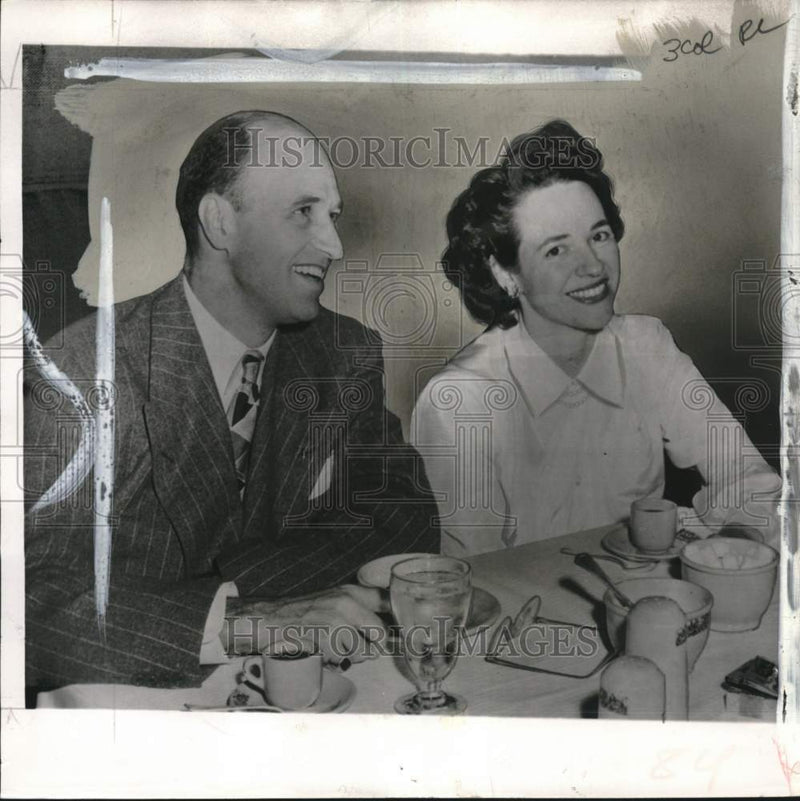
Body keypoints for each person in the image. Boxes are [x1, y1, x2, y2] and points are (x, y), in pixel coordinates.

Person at [24, 111, 439, 693]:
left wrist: (249, 587)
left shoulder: (344, 352)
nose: (334, 245)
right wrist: (241, 620)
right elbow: (26, 604)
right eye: (304, 212)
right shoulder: (81, 371)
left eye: (333, 217)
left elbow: (404, 517)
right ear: (220, 222)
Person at [411, 119, 780, 557]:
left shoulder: (647, 346)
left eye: (599, 236)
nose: (593, 267)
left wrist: (737, 547)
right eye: (556, 249)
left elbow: (747, 475)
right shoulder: (459, 400)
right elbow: (472, 574)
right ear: (505, 272)